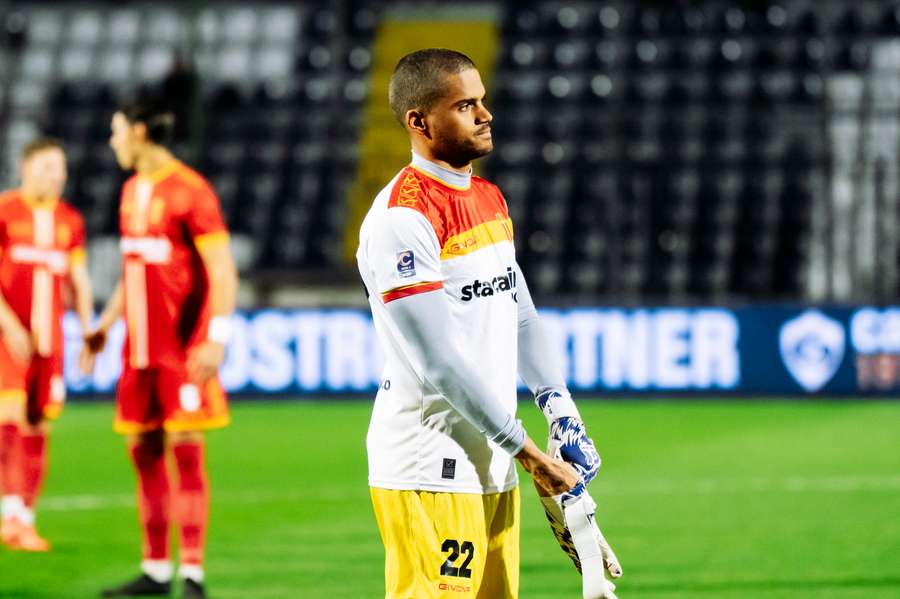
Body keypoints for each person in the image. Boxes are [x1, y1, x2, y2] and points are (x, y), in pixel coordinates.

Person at [356, 49, 601, 599]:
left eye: (482, 101)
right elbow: (440, 363)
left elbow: (522, 314)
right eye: (465, 105)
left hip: (492, 455)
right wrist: (534, 456)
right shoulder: (403, 218)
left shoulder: (488, 197)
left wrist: (558, 407)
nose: (485, 114)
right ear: (419, 122)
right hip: (429, 460)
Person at [84, 97, 238, 599]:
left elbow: (221, 270)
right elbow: (134, 271)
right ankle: (154, 571)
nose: (112, 141)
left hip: (182, 352)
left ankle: (192, 575)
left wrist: (215, 338)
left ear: (141, 131)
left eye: (116, 130)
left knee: (187, 455)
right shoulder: (131, 191)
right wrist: (104, 324)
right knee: (144, 455)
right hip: (139, 353)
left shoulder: (191, 191)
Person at [0, 137, 94, 552]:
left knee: (39, 426)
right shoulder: (5, 210)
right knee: (8, 419)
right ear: (26, 168)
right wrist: (9, 325)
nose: (56, 176)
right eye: (47, 167)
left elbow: (78, 280)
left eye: (60, 169)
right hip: (7, 337)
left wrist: (90, 329)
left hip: (50, 340)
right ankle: (9, 515)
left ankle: (26, 518)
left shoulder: (69, 220)